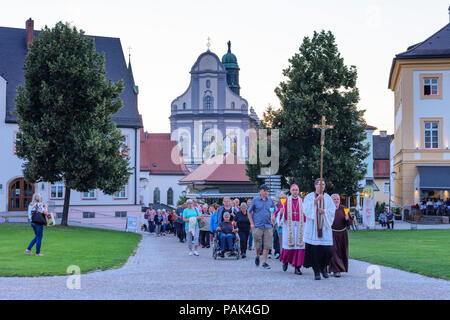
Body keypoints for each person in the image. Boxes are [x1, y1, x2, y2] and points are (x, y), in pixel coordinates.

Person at [303, 178, 336, 280]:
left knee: (328, 251)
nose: (322, 186)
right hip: (313, 228)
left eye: (323, 184)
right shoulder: (309, 197)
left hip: (324, 228)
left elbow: (332, 211)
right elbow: (305, 209)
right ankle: (316, 271)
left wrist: (324, 211)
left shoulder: (328, 198)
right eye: (320, 184)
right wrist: (316, 200)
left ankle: (323, 267)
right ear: (315, 186)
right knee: (315, 251)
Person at [276, 184, 306, 275]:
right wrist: (281, 213)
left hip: (300, 227)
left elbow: (307, 214)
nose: (295, 191)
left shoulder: (303, 201)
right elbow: (278, 215)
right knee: (289, 246)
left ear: (299, 191)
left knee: (299, 247)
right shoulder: (285, 201)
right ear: (290, 191)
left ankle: (297, 267)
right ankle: (285, 261)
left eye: (296, 190)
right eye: (293, 190)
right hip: (289, 226)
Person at [248, 184, 276, 269]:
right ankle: (257, 255)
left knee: (267, 245)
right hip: (258, 226)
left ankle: (264, 262)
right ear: (260, 191)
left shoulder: (270, 200)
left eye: (267, 191)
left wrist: (273, 216)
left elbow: (273, 210)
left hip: (268, 226)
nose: (266, 192)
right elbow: (249, 212)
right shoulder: (255, 200)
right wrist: (252, 223)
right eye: (264, 191)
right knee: (258, 245)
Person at [329, 194, 353, 277]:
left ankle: (340, 268)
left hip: (343, 234)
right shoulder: (328, 209)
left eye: (337, 199)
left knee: (341, 251)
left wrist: (347, 219)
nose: (336, 200)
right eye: (334, 199)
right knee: (334, 251)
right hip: (332, 233)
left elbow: (350, 223)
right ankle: (336, 270)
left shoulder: (344, 209)